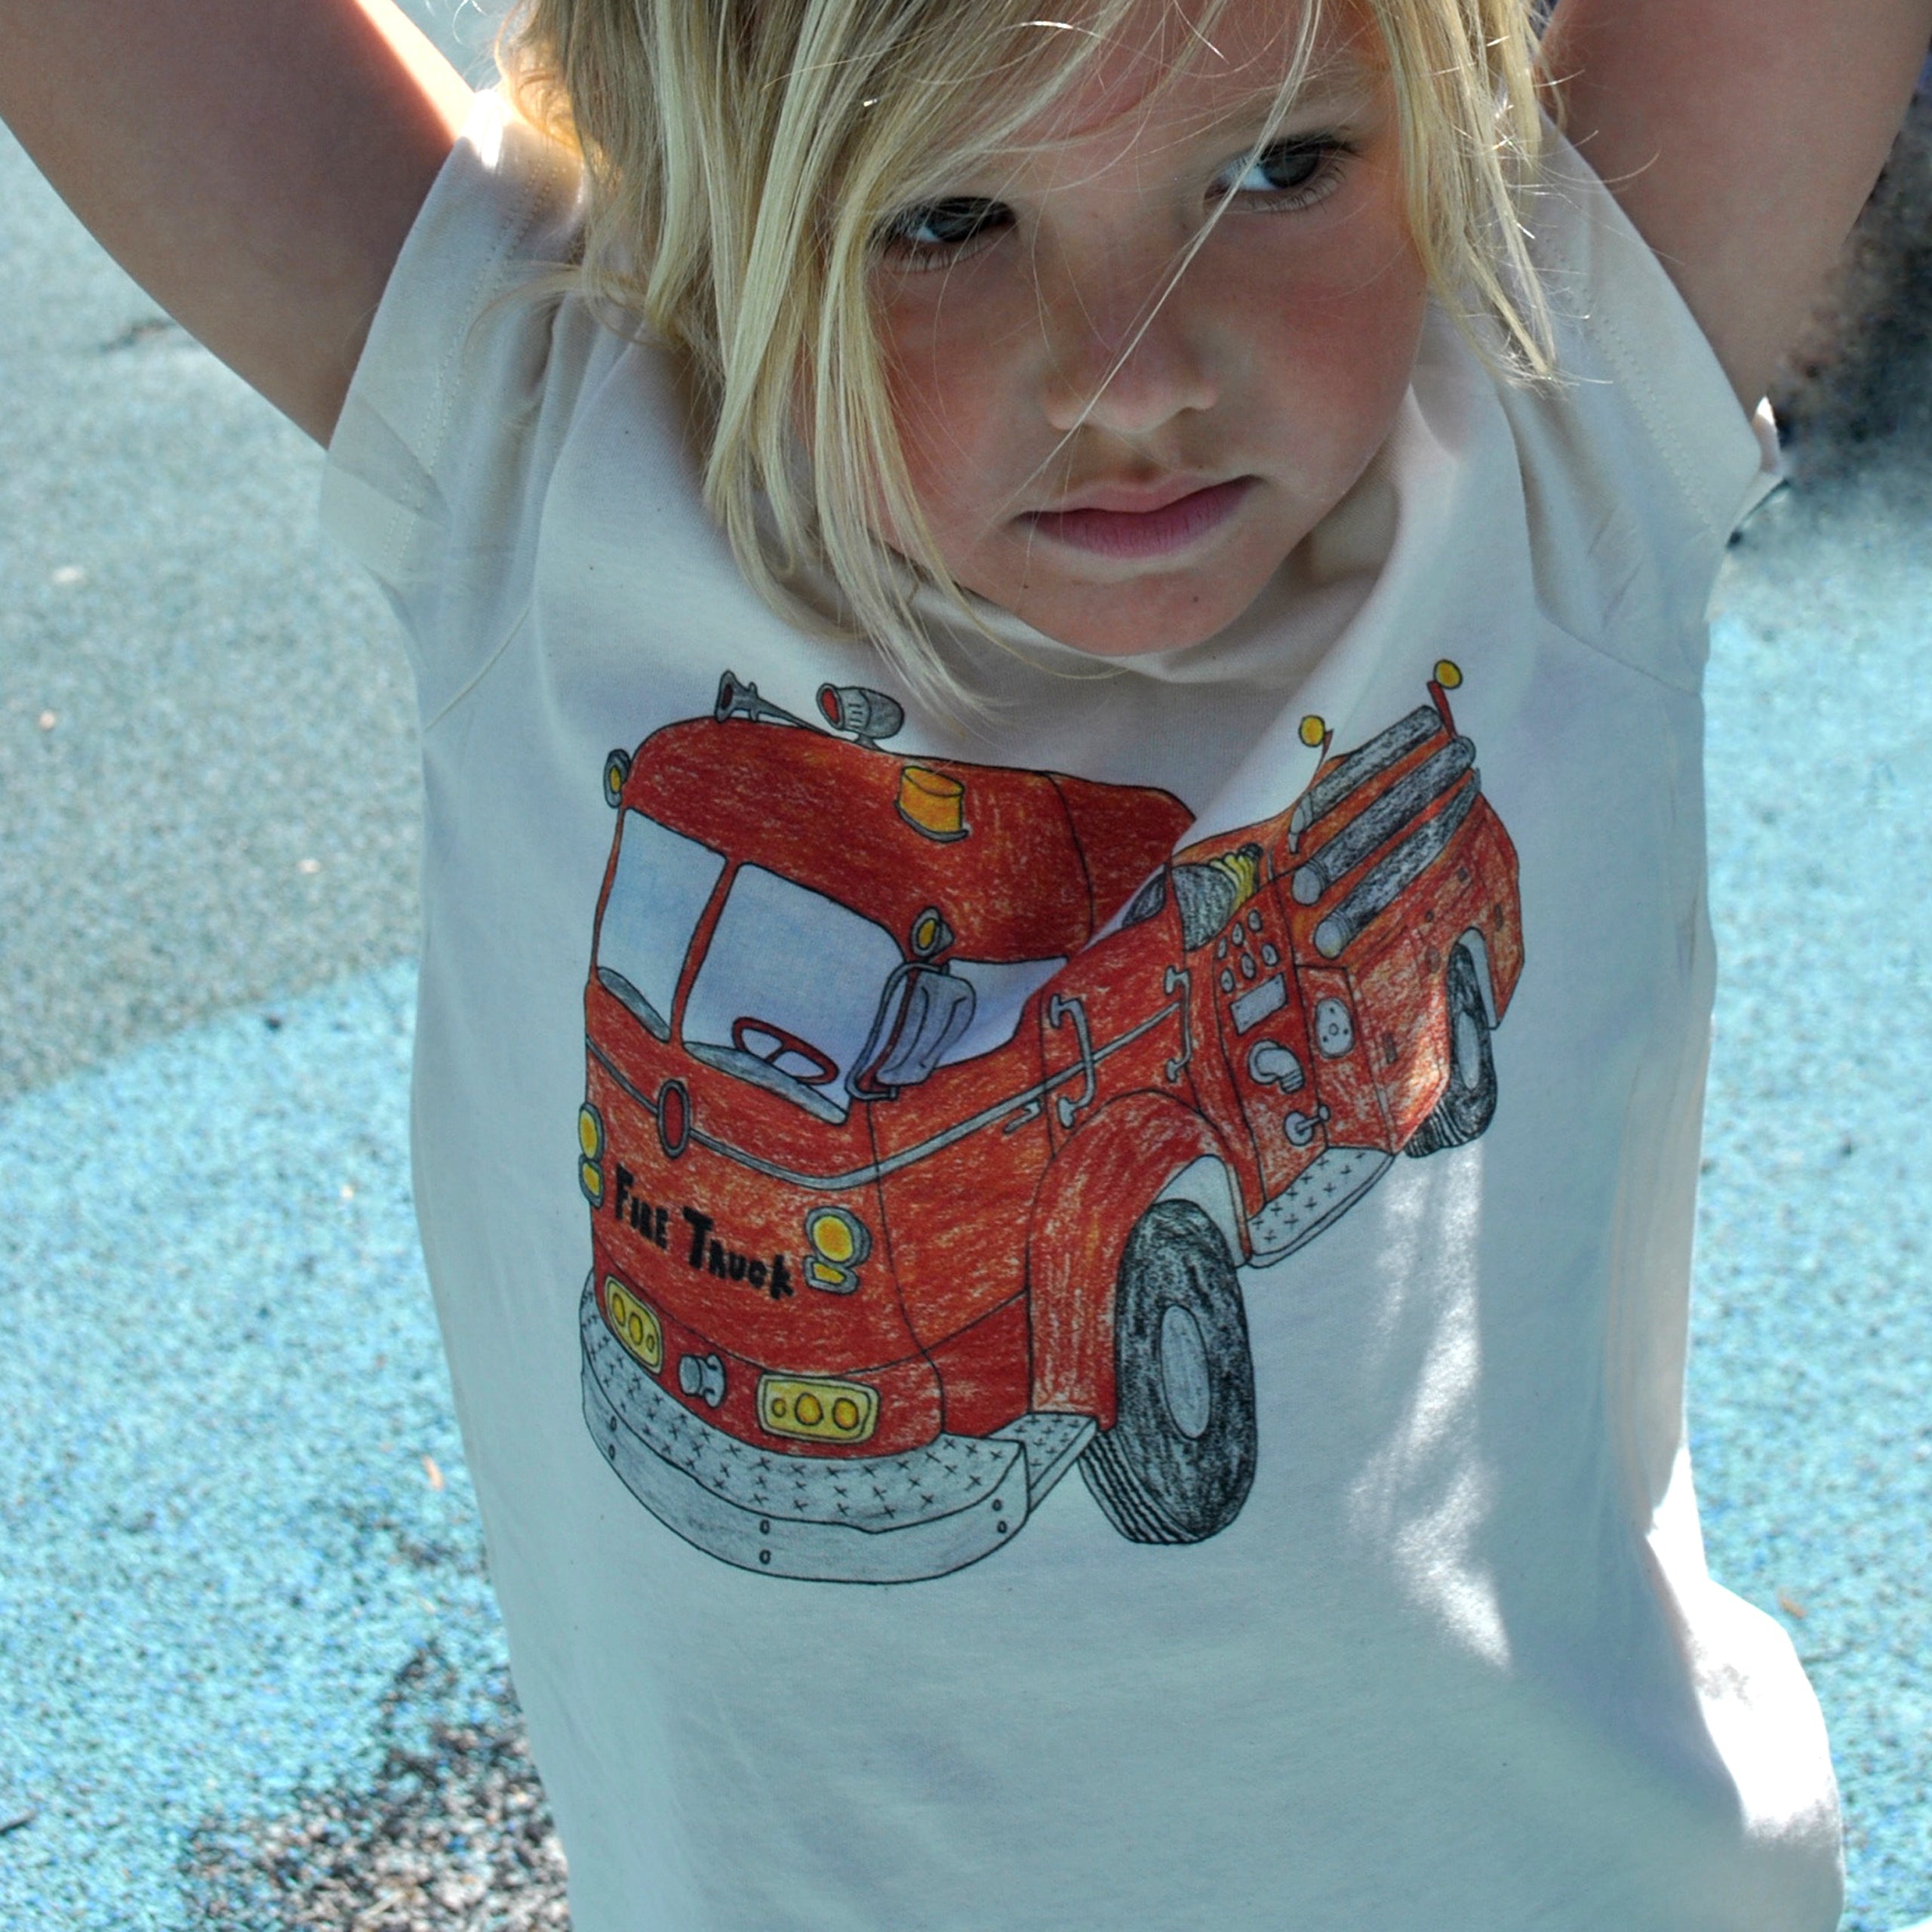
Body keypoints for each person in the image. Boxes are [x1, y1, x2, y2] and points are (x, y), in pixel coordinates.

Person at [3, 1, 1926, 1925]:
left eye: (1275, 167)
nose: (1134, 378)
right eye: (945, 220)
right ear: (726, 198)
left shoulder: (1551, 432)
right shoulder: (535, 450)